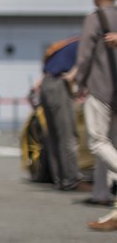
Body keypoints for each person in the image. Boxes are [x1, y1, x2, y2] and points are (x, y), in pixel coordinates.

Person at [70, 0, 117, 231]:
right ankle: (103, 195)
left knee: (98, 142)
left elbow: (85, 56)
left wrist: (78, 83)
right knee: (111, 145)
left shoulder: (94, 19)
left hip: (100, 89)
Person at [37, 38, 86, 191]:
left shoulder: (70, 43)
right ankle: (71, 180)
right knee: (67, 135)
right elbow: (85, 61)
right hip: (59, 84)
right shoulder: (88, 44)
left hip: (47, 83)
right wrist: (73, 77)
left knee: (54, 135)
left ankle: (59, 178)